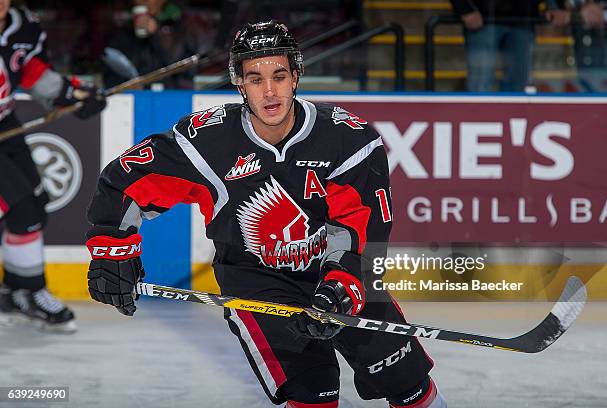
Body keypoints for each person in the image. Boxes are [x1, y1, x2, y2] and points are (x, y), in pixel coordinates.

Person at [86, 21, 446, 407]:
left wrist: (340, 289)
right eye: (255, 79)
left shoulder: (349, 140)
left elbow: (361, 232)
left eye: (279, 75)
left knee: (406, 382)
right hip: (257, 284)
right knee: (313, 395)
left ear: (296, 76)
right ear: (239, 83)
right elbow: (125, 180)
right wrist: (112, 252)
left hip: (337, 270)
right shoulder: (208, 142)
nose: (270, 91)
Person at [0, 1, 106, 332]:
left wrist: (72, 93)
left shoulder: (23, 25)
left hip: (5, 123)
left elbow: (31, 72)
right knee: (22, 211)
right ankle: (31, 291)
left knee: (34, 208)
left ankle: (14, 292)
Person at [450, 0, 570, 91]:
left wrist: (556, 5)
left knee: (518, 85)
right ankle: (477, 120)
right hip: (483, 18)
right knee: (480, 83)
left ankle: (512, 121)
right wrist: (464, 7)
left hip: (523, 18)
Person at [103, 0, 198, 89]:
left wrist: (156, 35)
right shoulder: (123, 30)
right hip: (133, 97)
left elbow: (182, 67)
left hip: (172, 95)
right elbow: (114, 69)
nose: (143, 2)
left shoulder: (179, 26)